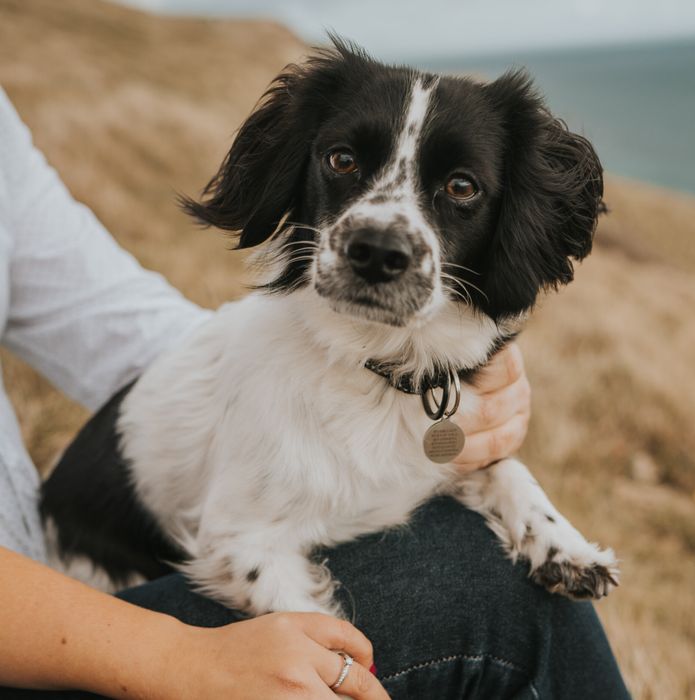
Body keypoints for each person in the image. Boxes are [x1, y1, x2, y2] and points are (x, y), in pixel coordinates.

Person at [0, 87, 629, 699]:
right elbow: (240, 545)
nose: (383, 229)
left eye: (460, 188)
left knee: (512, 578)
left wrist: (495, 463)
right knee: (497, 594)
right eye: (345, 163)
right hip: (88, 611)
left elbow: (97, 314)